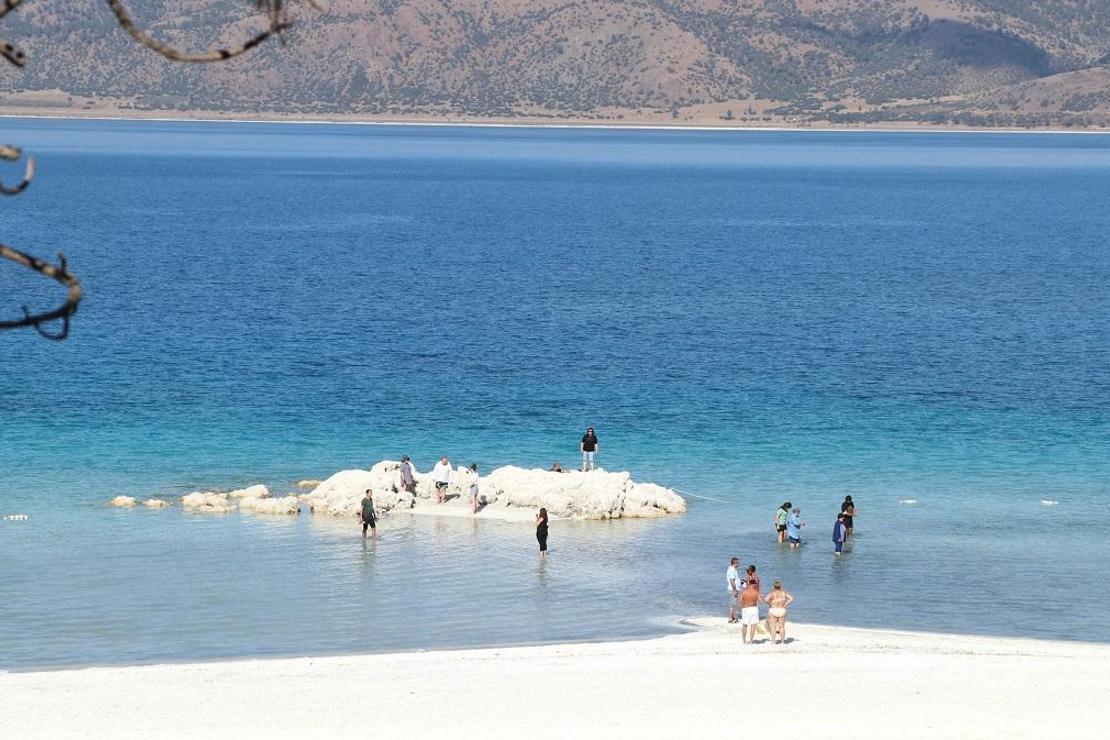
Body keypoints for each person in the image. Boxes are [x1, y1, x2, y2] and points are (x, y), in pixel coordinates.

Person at [763, 580, 794, 645]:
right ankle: (782, 642)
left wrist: (770, 604)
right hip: (781, 609)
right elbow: (791, 598)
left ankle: (773, 641)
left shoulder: (772, 593)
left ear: (774, 586)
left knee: (773, 626)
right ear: (780, 586)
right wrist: (786, 604)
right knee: (782, 627)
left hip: (773, 610)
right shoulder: (783, 593)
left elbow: (766, 599)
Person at [738, 580, 762, 644]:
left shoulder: (744, 591)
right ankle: (751, 641)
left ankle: (744, 640)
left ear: (749, 584)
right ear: (754, 584)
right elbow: (761, 602)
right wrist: (760, 597)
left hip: (745, 609)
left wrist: (743, 605)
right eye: (755, 584)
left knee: (745, 625)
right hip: (753, 608)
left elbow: (739, 601)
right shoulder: (756, 592)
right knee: (753, 625)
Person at [726, 557, 741, 623]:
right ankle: (731, 618)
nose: (738, 564)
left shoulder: (733, 569)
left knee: (734, 604)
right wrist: (735, 590)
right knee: (733, 604)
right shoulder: (732, 570)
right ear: (735, 563)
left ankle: (732, 617)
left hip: (733, 589)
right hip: (733, 590)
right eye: (738, 563)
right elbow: (732, 580)